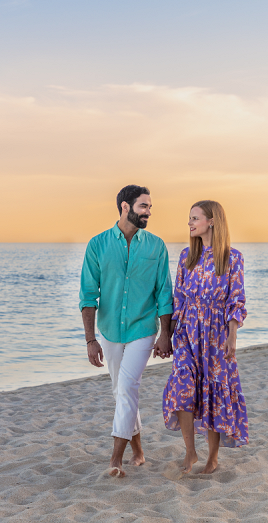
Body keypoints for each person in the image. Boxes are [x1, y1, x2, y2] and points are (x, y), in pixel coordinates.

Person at [80, 184, 174, 478]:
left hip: (143, 329)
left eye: (149, 207)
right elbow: (87, 295)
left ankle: (115, 459)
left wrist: (165, 334)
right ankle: (138, 450)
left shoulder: (156, 246)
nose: (148, 212)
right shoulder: (97, 245)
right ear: (125, 206)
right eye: (143, 206)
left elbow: (164, 294)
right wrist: (90, 339)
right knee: (120, 391)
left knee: (128, 387)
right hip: (108, 332)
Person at [162, 200, 248, 474]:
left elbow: (237, 300)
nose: (189, 223)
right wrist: (167, 335)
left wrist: (232, 335)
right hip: (188, 332)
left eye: (194, 218)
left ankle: (213, 457)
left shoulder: (232, 258)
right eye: (189, 218)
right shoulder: (186, 257)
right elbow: (177, 298)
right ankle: (190, 453)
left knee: (214, 391)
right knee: (182, 384)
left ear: (212, 221)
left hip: (216, 336)